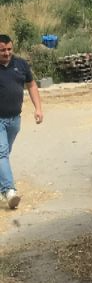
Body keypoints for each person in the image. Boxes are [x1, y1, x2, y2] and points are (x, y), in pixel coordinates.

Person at [0, 34, 43, 209]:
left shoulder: (21, 65)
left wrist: (38, 108)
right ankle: (10, 191)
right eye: (2, 50)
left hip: (14, 120)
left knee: (3, 154)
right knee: (1, 153)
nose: (7, 53)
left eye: (9, 49)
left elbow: (31, 85)